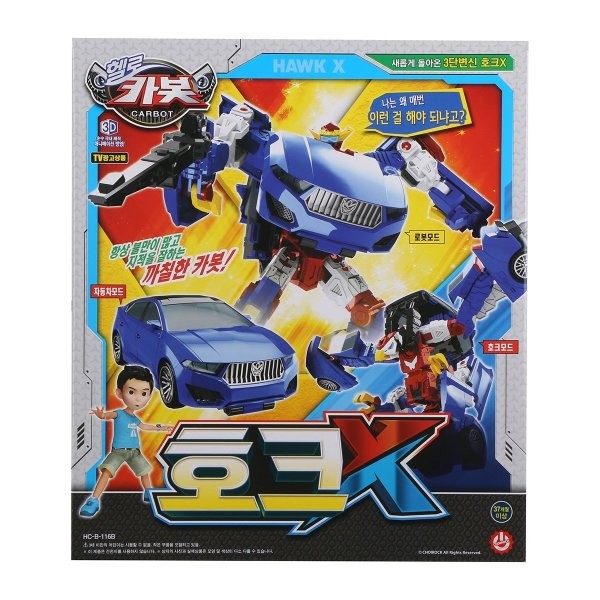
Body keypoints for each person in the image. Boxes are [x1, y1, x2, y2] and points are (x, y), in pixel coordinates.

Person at [79, 365, 173, 518]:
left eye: (144, 393)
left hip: (135, 452)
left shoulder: (135, 418)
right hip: (118, 452)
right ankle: (94, 500)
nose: (138, 398)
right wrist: (102, 415)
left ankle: (148, 492)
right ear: (119, 393)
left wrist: (160, 427)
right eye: (131, 392)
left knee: (144, 472)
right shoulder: (120, 413)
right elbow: (108, 416)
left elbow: (144, 426)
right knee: (106, 472)